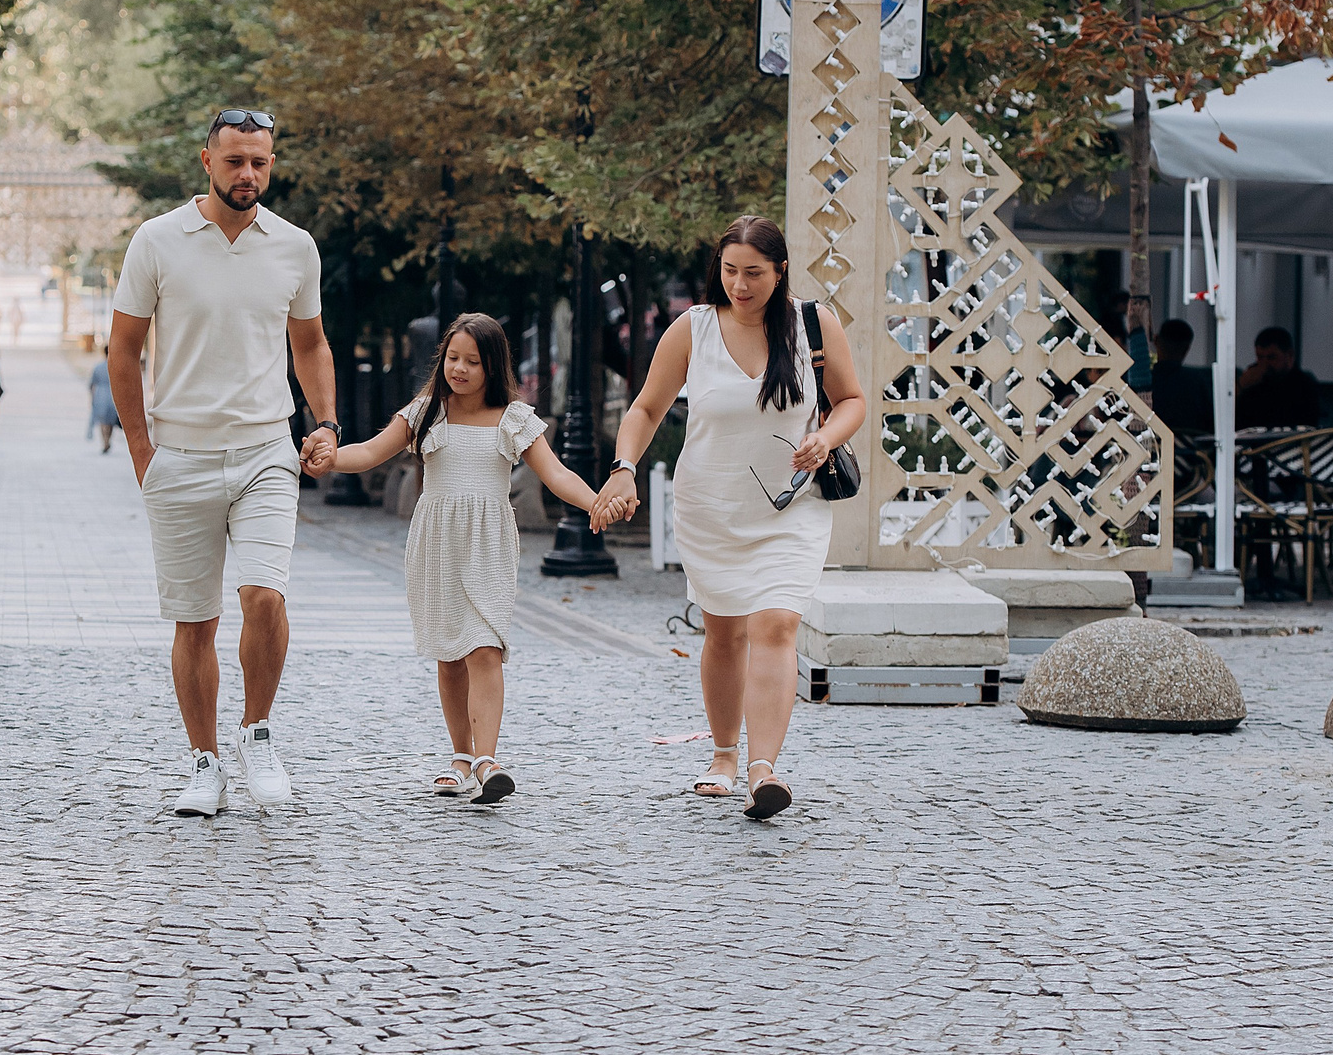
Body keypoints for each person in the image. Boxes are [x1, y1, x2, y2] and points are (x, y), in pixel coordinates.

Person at [594, 216, 865, 822]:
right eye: (730, 271)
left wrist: (826, 438)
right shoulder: (693, 330)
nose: (739, 286)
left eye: (754, 274)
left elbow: (851, 400)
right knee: (724, 632)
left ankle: (764, 770)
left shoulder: (814, 325)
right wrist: (623, 467)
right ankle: (723, 754)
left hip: (792, 507)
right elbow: (645, 409)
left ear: (781, 271)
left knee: (775, 625)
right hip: (711, 505)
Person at [109, 107, 338, 819]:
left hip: (268, 447)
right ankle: (204, 762)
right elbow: (122, 350)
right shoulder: (157, 241)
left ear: (272, 164)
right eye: (235, 160)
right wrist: (144, 450)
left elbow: (310, 343)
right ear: (206, 161)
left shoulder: (295, 247)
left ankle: (256, 732)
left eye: (260, 163)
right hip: (179, 454)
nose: (248, 174)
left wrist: (325, 421)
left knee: (264, 594)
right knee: (195, 621)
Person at [324, 312, 603, 804]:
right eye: (453, 358)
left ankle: (488, 759)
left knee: (485, 648)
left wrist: (597, 501)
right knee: (450, 655)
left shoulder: (514, 418)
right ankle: (460, 755)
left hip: (489, 544)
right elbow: (369, 452)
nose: (460, 369)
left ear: (493, 366)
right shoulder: (425, 412)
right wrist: (329, 458)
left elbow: (558, 476)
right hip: (436, 544)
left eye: (472, 361)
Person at [1239, 325, 1322, 430]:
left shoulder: (1303, 386)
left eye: (1272, 357)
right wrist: (1241, 387)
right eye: (1260, 357)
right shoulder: (1253, 384)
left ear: (1289, 355)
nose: (1264, 365)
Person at [1151, 319, 1214, 436]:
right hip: (1192, 451)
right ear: (1187, 348)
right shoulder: (1200, 383)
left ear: (1156, 340)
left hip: (1150, 449)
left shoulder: (1140, 381)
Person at [89, 355, 121, 453]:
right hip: (113, 395)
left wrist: (92, 398)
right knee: (110, 421)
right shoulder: (117, 367)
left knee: (103, 421)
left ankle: (105, 441)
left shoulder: (98, 367)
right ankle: (108, 440)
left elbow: (92, 384)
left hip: (100, 395)